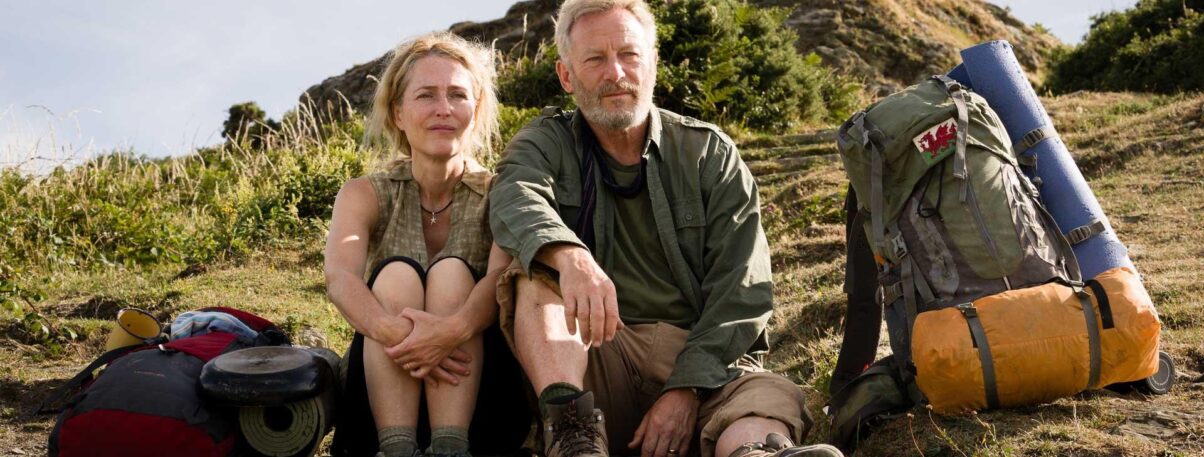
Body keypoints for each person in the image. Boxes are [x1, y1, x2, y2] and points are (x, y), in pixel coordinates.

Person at [488, 1, 843, 456]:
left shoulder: (709, 153)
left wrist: (686, 388)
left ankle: (754, 453)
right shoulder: (545, 143)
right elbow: (514, 196)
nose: (616, 73)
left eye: (629, 55)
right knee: (533, 280)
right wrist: (570, 257)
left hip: (700, 362)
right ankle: (574, 438)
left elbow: (741, 290)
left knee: (767, 397)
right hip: (591, 359)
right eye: (595, 59)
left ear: (653, 63)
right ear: (566, 76)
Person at [323, 32, 529, 457]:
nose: (443, 109)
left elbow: (498, 278)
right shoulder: (364, 193)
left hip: (477, 387)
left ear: (476, 109)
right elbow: (340, 278)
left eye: (457, 95)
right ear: (398, 113)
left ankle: (451, 446)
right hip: (386, 385)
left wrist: (450, 332)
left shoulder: (501, 193)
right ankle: (395, 446)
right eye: (426, 95)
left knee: (452, 274)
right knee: (396, 276)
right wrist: (400, 335)